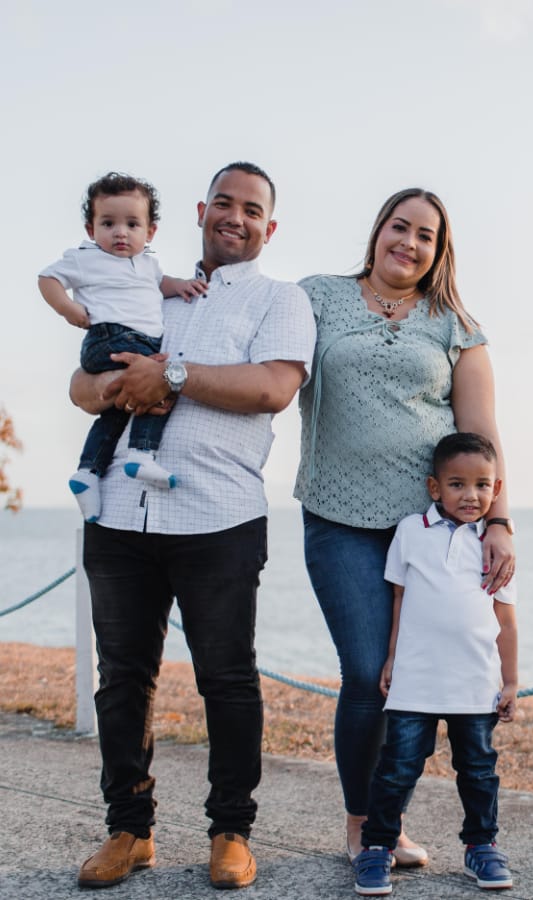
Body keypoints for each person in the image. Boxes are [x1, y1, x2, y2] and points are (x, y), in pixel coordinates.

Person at [68, 161, 316, 890]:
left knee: (228, 681)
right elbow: (82, 386)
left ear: (268, 227)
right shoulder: (144, 288)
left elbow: (273, 386)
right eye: (224, 204)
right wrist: (119, 384)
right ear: (203, 211)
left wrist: (171, 376)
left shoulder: (282, 300)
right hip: (118, 514)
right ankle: (128, 832)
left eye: (252, 209)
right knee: (121, 683)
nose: (235, 217)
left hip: (220, 519)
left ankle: (232, 832)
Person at [294, 188, 516, 865]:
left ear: (438, 251)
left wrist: (498, 518)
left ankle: (391, 824)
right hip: (337, 516)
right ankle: (364, 825)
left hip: (434, 530)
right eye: (401, 226)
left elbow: (480, 432)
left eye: (427, 236)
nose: (410, 243)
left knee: (415, 679)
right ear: (378, 230)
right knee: (368, 673)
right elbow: (270, 365)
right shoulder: (317, 298)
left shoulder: (455, 323)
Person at [353, 432, 518, 895]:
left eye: (482, 485)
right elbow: (400, 599)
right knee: (397, 768)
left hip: (475, 682)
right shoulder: (410, 532)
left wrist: (511, 680)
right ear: (434, 487)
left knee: (479, 771)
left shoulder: (496, 546)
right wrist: (391, 657)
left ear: (496, 489)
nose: (471, 495)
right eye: (458, 484)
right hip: (416, 680)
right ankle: (377, 847)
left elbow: (505, 617)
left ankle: (480, 847)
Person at [39, 172, 207, 522]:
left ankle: (87, 473)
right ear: (91, 230)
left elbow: (161, 284)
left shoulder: (148, 263)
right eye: (108, 223)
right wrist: (68, 309)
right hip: (109, 337)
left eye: (132, 224)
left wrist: (184, 286)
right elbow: (47, 279)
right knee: (154, 383)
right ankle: (141, 455)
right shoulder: (86, 257)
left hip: (135, 341)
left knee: (115, 411)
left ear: (150, 232)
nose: (120, 232)